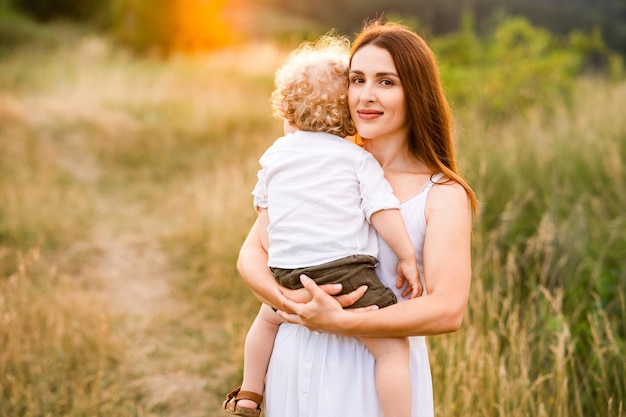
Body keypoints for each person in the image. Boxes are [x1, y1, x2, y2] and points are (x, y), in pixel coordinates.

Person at [237, 20, 478, 417]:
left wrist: (339, 321)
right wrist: (295, 303)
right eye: (357, 79)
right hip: (296, 356)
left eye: (386, 82)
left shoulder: (441, 194)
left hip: (373, 381)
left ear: (416, 93)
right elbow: (249, 254)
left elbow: (449, 309)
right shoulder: (323, 167)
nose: (366, 95)